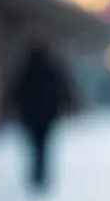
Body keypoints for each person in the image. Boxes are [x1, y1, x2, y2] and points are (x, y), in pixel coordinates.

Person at [5, 36, 76, 193]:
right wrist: (68, 103)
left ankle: (37, 175)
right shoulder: (52, 66)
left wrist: (11, 103)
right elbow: (63, 87)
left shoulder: (26, 66)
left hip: (31, 115)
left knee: (35, 146)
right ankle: (41, 175)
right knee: (42, 146)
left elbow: (15, 88)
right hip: (47, 114)